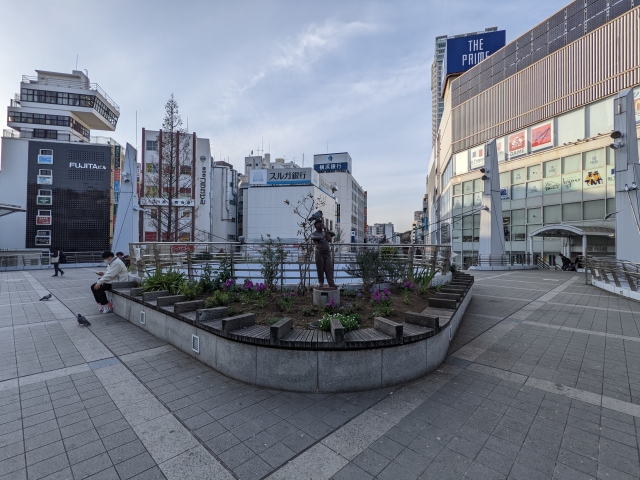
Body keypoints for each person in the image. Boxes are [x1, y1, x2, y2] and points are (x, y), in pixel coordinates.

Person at [310, 218, 336, 288]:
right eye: (319, 223)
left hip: (327, 252)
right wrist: (322, 237)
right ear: (315, 226)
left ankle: (331, 283)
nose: (320, 224)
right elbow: (313, 237)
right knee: (320, 268)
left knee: (329, 268)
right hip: (319, 252)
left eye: (321, 223)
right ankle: (321, 282)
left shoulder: (325, 232)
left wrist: (327, 230)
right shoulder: (314, 233)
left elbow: (333, 234)